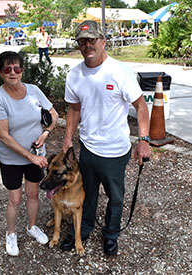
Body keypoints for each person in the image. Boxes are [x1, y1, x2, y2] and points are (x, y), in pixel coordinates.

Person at [61, 20, 151, 256]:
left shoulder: (120, 72)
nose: (87, 45)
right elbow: (73, 109)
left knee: (115, 197)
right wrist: (68, 138)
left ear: (103, 41)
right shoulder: (75, 75)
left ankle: (111, 235)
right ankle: (84, 230)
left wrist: (143, 139)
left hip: (115, 151)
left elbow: (141, 107)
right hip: (88, 147)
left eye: (92, 40)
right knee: (86, 193)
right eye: (82, 41)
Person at [0, 51, 59, 256]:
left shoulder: (34, 90)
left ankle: (31, 226)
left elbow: (53, 114)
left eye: (17, 68)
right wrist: (31, 156)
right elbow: (4, 137)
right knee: (15, 199)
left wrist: (45, 133)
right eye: (7, 69)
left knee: (33, 194)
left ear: (22, 71)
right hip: (12, 159)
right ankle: (11, 234)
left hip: (36, 155)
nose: (13, 73)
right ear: (0, 72)